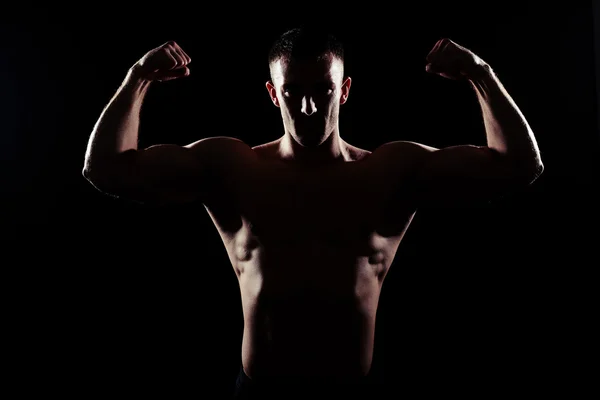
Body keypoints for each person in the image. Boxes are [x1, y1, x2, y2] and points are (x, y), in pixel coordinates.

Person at [82, 27, 543, 398]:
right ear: (272, 93)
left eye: (322, 90)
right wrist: (138, 76)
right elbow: (103, 168)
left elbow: (521, 166)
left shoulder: (390, 171)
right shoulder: (233, 167)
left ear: (343, 91)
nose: (307, 107)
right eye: (292, 91)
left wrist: (481, 73)